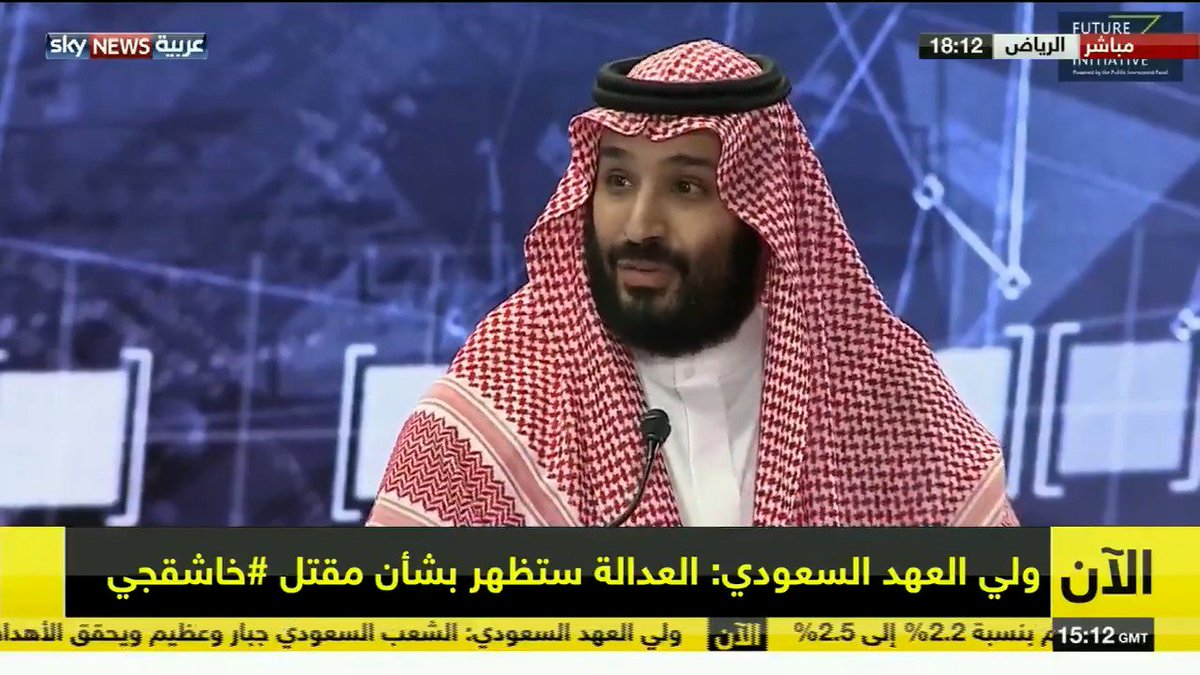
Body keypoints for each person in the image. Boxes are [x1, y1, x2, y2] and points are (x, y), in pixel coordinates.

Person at [366, 39, 1019, 528]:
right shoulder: (504, 389)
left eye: (685, 187)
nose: (639, 226)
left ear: (760, 211)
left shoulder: (882, 391)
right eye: (619, 181)